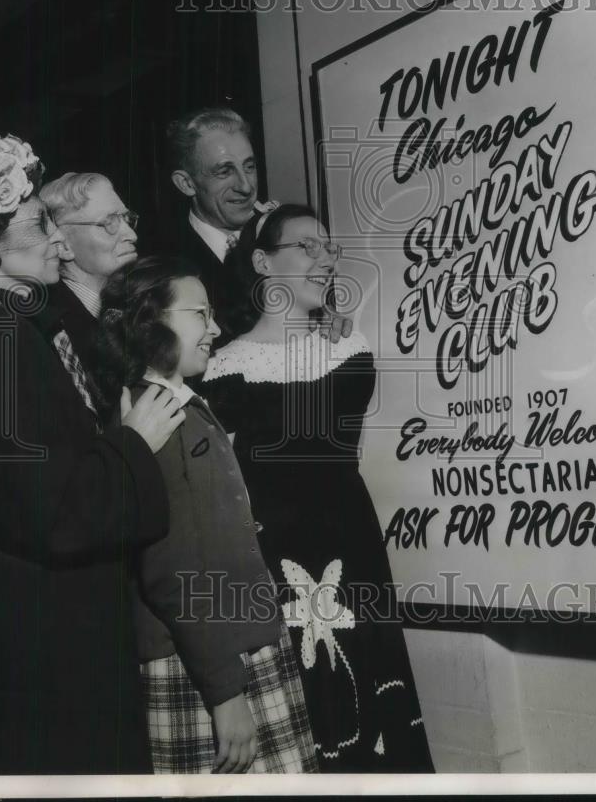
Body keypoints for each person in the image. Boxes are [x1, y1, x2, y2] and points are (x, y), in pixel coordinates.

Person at [0, 135, 183, 774]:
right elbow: (43, 512)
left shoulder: (16, 326)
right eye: (38, 223)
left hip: (63, 620)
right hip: (45, 635)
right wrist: (135, 443)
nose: (58, 239)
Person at [201, 204, 435, 773]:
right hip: (279, 562)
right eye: (306, 247)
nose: (326, 259)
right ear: (262, 262)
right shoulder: (225, 369)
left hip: (353, 543)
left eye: (328, 247)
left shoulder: (350, 352)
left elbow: (356, 456)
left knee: (377, 697)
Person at [93, 256, 319, 775]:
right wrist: (224, 693)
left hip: (236, 649)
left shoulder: (182, 405)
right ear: (151, 323)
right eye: (200, 314)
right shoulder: (152, 418)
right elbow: (172, 570)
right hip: (210, 669)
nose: (215, 329)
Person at [161, 106, 350, 344]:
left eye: (249, 167)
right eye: (224, 171)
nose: (246, 186)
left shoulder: (281, 237)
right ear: (187, 183)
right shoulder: (166, 266)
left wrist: (325, 315)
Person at [39, 171, 139, 386]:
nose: (131, 234)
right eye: (109, 223)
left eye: (126, 219)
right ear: (63, 245)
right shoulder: (53, 332)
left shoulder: (135, 309)